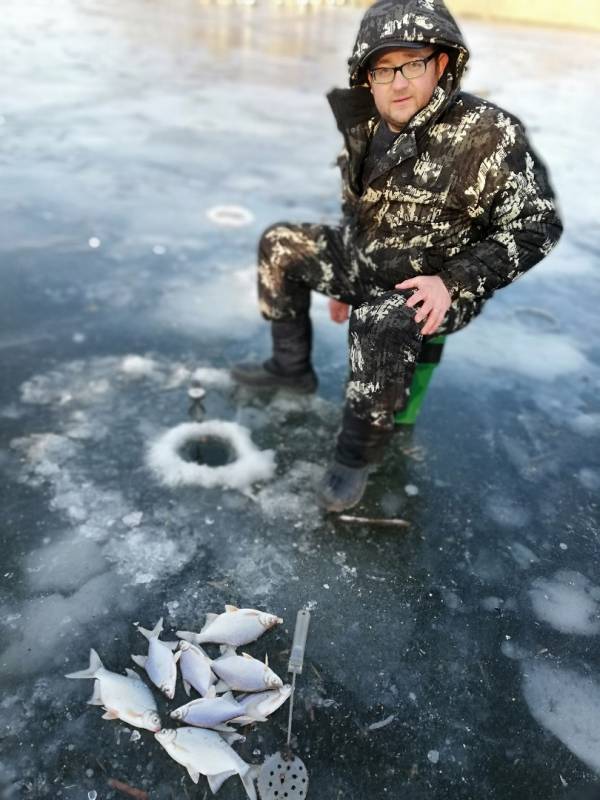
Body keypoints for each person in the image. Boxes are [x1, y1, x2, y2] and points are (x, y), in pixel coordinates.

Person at [231, 0, 563, 512]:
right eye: (383, 69)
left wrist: (452, 281)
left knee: (381, 319)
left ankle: (357, 454)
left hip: (434, 286)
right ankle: (289, 367)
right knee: (280, 243)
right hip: (368, 258)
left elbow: (538, 225)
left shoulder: (488, 134)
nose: (398, 83)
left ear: (443, 63)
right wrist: (347, 269)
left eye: (412, 64)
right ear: (366, 75)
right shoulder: (365, 119)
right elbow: (358, 203)